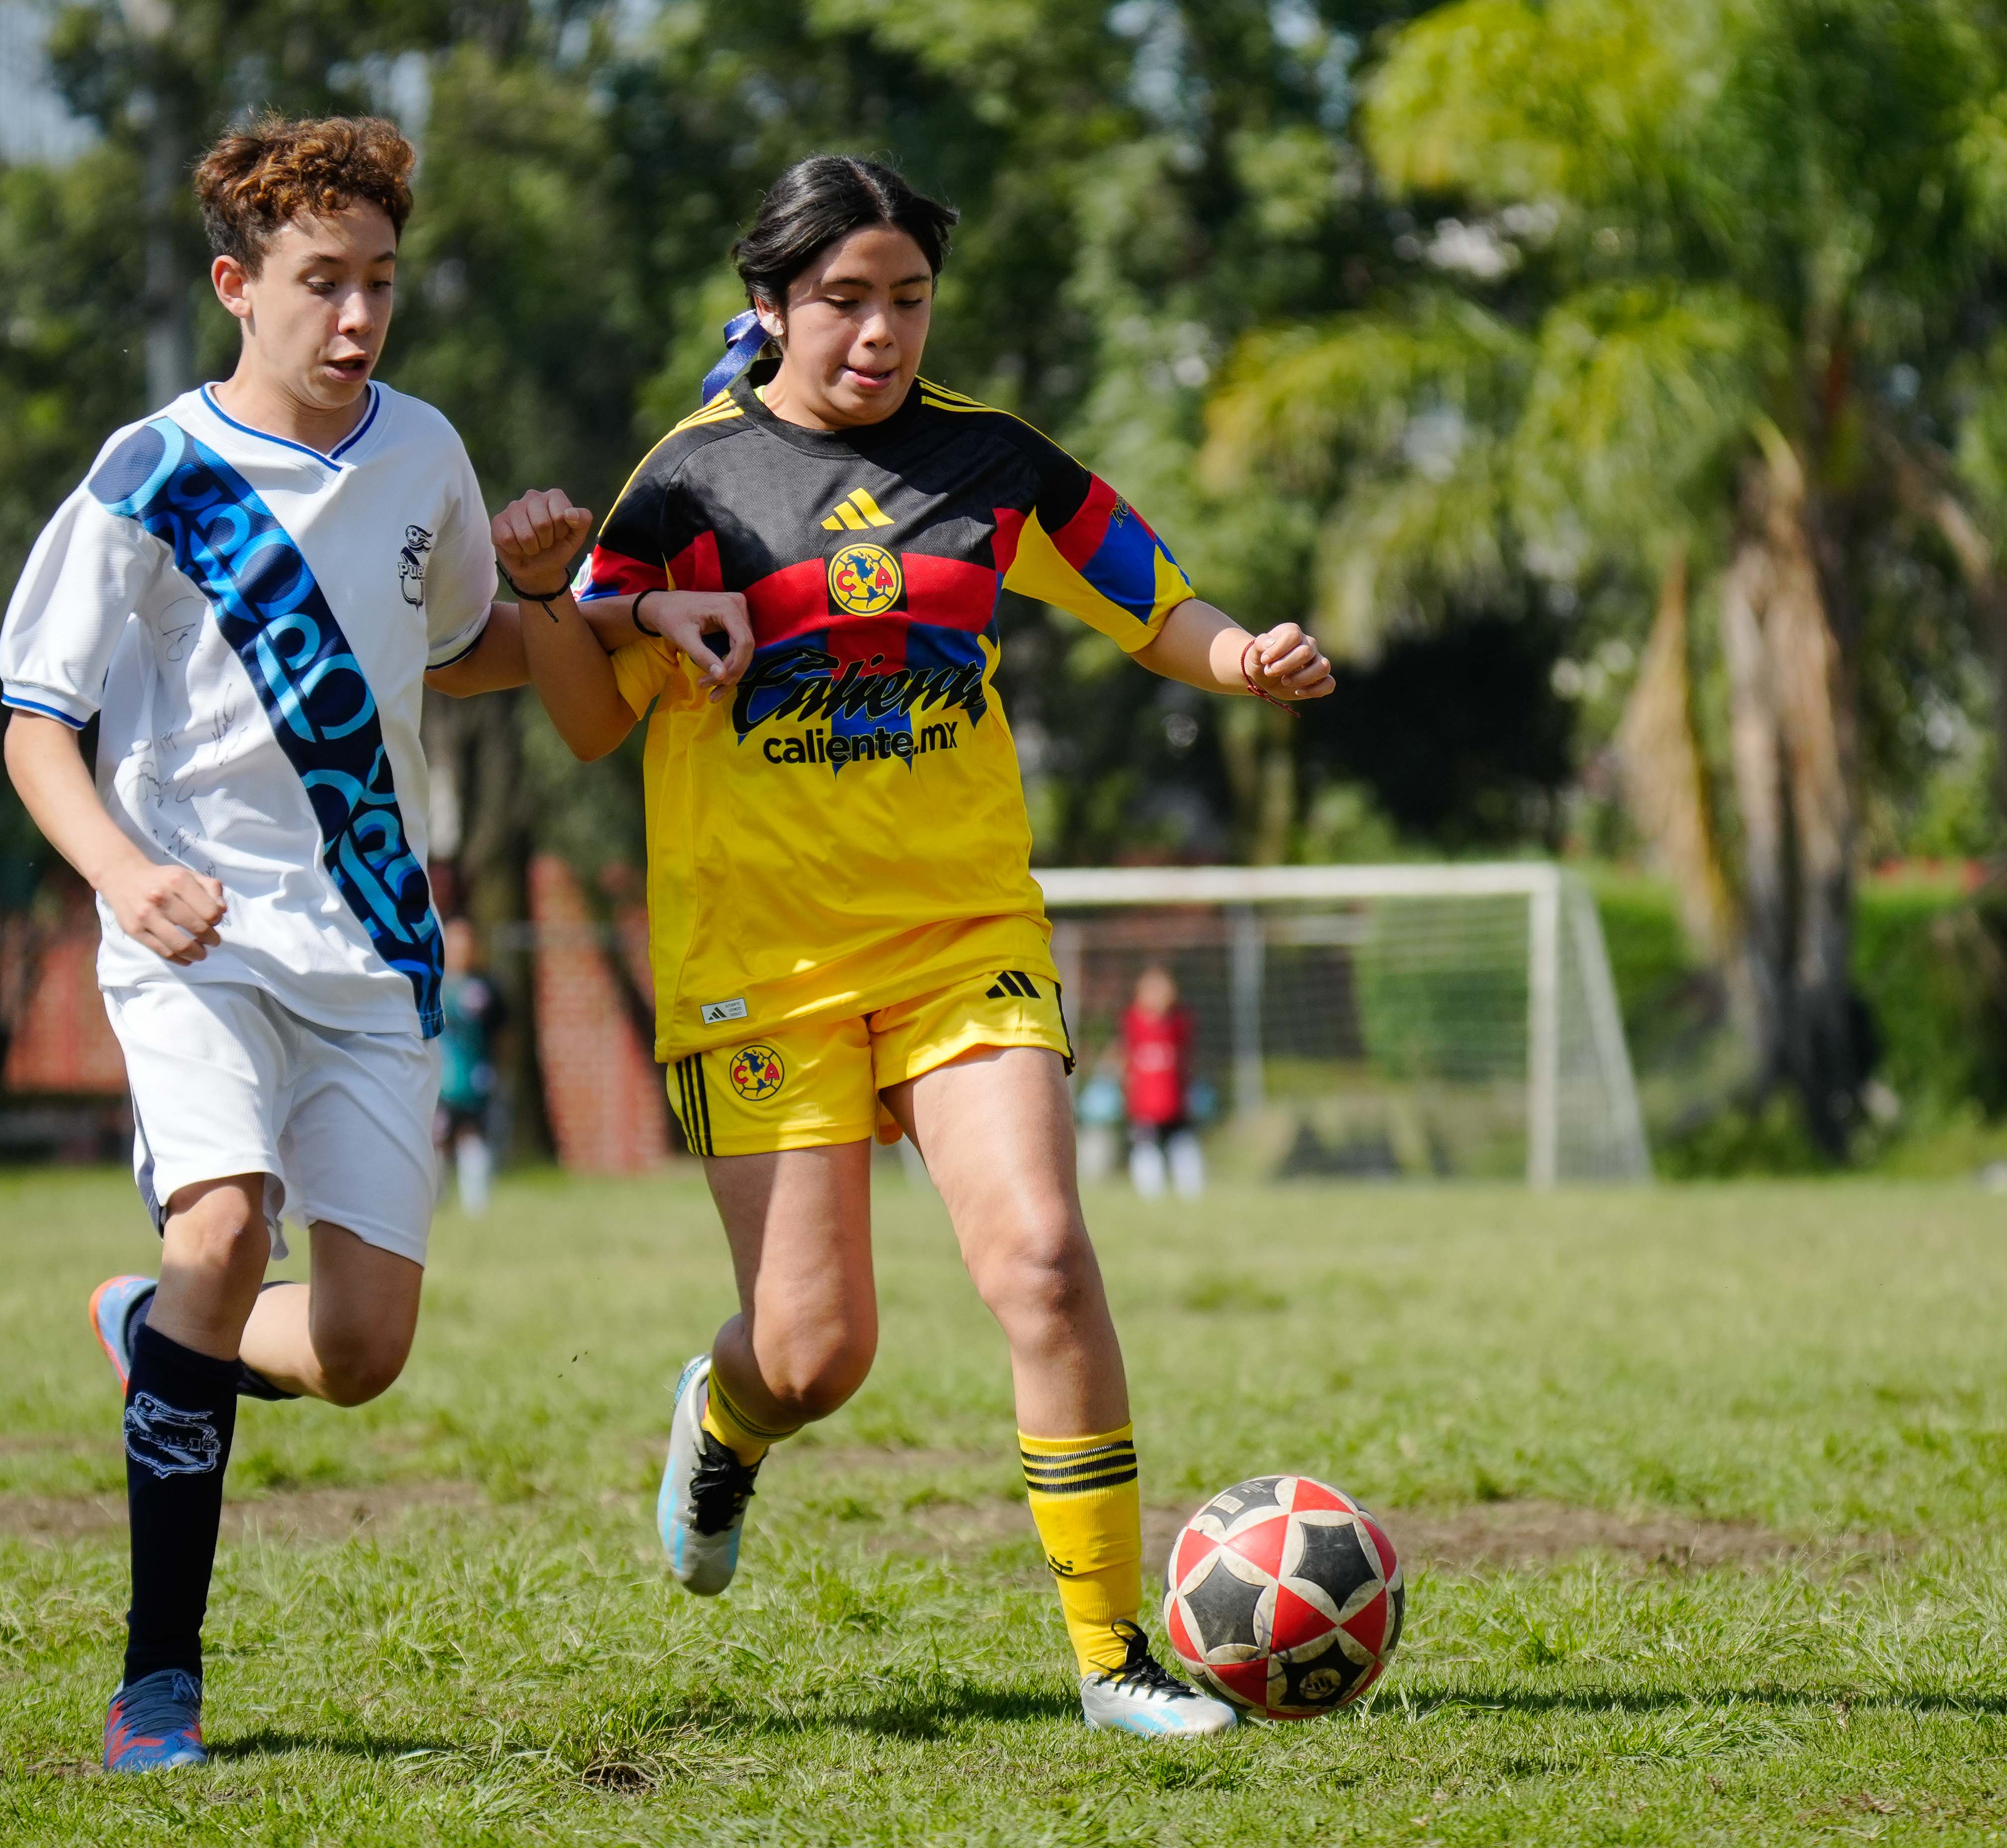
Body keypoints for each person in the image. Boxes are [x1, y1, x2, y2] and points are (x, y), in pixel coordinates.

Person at [497, 154, 1335, 1739]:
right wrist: (553, 595)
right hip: (764, 954)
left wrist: (1240, 655)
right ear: (767, 308)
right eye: (841, 301)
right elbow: (589, 717)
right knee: (817, 1353)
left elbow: (1145, 594)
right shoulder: (681, 485)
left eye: (905, 299)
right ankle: (725, 1414)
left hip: (963, 931)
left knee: (1039, 1255)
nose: (877, 332)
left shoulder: (992, 459)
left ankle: (1108, 1658)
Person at [0, 114, 588, 1773]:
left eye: (380, 282)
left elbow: (460, 649)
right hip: (194, 932)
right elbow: (37, 718)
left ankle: (153, 1328)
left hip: (375, 943)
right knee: (226, 1224)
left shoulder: (425, 453)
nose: (356, 318)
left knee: (357, 1348)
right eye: (320, 282)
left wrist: (550, 593)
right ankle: (157, 1683)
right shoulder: (149, 473)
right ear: (235, 286)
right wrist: (121, 867)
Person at [433, 915, 507, 1213]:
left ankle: (476, 1205)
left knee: (473, 1136)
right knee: (434, 1137)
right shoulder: (432, 985)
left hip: (473, 1079)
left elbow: (503, 1033)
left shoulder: (486, 988)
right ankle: (433, 1201)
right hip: (437, 1077)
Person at [1120, 965, 1204, 1199]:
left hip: (1174, 1101)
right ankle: (1150, 1194)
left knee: (1183, 1146)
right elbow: (1125, 1059)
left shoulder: (1179, 1022)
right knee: (1146, 1147)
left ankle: (1191, 1193)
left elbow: (1190, 1059)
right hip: (1145, 1103)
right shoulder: (1132, 1021)